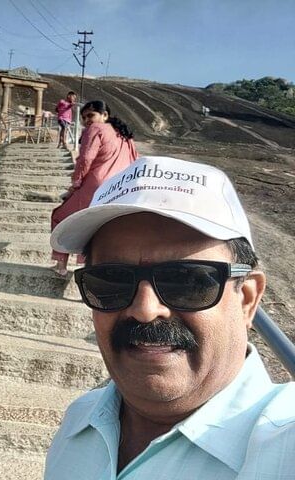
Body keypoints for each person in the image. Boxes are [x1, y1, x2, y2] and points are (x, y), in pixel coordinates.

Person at [45, 156, 295, 479]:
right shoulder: (77, 424)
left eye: (187, 281)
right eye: (111, 280)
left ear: (247, 300)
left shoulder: (283, 443)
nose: (145, 310)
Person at [50, 100, 138, 275]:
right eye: (83, 118)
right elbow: (135, 162)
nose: (86, 121)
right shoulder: (125, 136)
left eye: (90, 115)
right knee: (96, 228)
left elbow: (85, 159)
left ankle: (61, 266)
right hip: (118, 189)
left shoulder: (96, 129)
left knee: (60, 217)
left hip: (95, 186)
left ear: (104, 115)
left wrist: (75, 184)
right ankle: (88, 268)